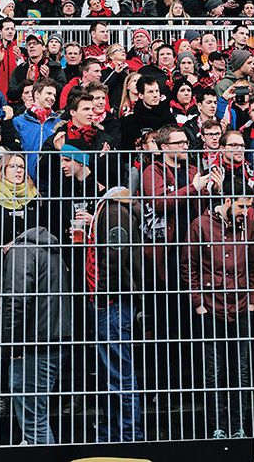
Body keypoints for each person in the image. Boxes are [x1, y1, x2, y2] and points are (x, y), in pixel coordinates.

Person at [182, 174, 254, 439]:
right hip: (210, 305)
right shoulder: (200, 224)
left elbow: (253, 265)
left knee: (241, 371)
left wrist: (252, 300)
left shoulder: (247, 226)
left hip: (240, 303)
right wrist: (198, 302)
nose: (245, 212)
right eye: (241, 206)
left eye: (248, 207)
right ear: (226, 201)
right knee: (213, 373)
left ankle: (239, 427)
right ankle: (217, 427)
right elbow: (187, 266)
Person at [2, 226, 71, 445]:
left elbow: (16, 300)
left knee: (34, 422)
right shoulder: (51, 250)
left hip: (34, 343)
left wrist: (12, 343)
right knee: (35, 418)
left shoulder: (22, 252)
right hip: (55, 337)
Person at [86, 187, 144, 443]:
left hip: (112, 304)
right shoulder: (113, 212)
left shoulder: (113, 213)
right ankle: (115, 433)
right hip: (111, 302)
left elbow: (112, 258)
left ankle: (129, 434)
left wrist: (102, 297)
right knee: (114, 373)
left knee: (119, 373)